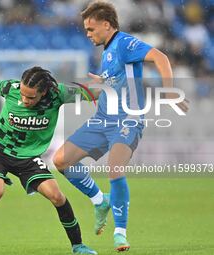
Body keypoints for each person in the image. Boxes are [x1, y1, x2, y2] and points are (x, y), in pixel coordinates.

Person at [53, 1, 189, 252]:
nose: (88, 34)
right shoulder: (107, 51)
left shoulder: (125, 42)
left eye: (91, 29)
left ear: (106, 25)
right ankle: (99, 200)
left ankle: (120, 233)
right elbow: (119, 79)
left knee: (114, 169)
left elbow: (160, 57)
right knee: (61, 160)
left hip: (127, 119)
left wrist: (169, 91)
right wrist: (103, 80)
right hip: (102, 119)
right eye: (86, 30)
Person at [0, 66, 100, 255]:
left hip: (28, 157)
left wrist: (107, 85)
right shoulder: (11, 88)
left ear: (44, 92)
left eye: (30, 97)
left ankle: (78, 246)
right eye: (22, 94)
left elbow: (92, 93)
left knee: (57, 196)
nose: (24, 100)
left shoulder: (57, 94)